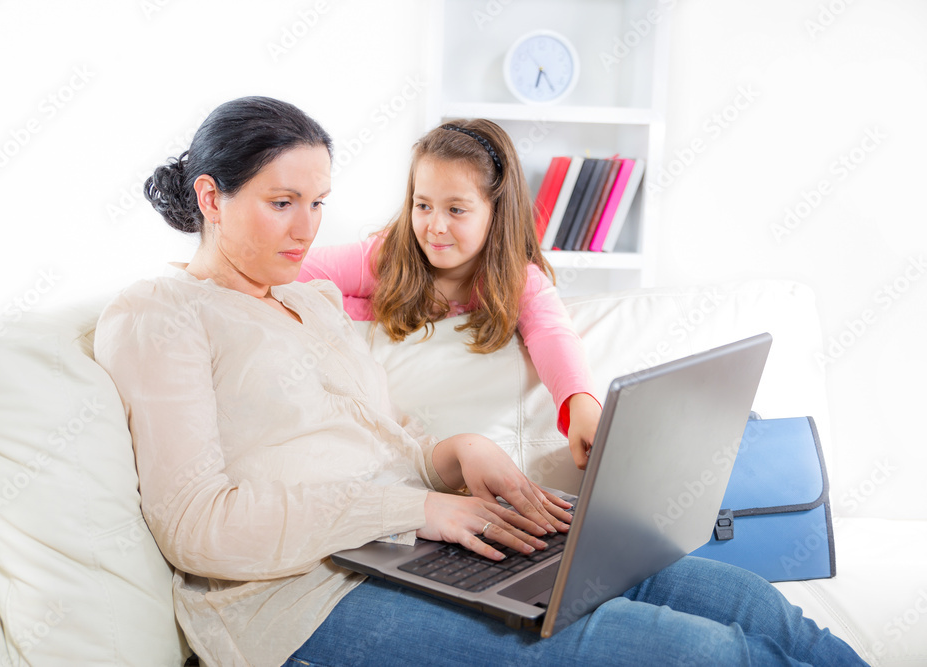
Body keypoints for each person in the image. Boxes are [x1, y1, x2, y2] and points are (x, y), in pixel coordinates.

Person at [94, 96, 867, 667]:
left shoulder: (311, 299)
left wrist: (458, 456)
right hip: (303, 597)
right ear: (209, 198)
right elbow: (196, 524)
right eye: (282, 204)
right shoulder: (161, 313)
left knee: (750, 605)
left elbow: (386, 444)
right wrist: (421, 506)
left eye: (319, 204)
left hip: (408, 541)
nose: (308, 230)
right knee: (700, 655)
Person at [299, 119, 601, 469]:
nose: (435, 227)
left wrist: (580, 401)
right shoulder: (386, 257)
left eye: (456, 210)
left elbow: (552, 332)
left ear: (496, 212)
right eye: (423, 205)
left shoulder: (518, 280)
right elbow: (298, 274)